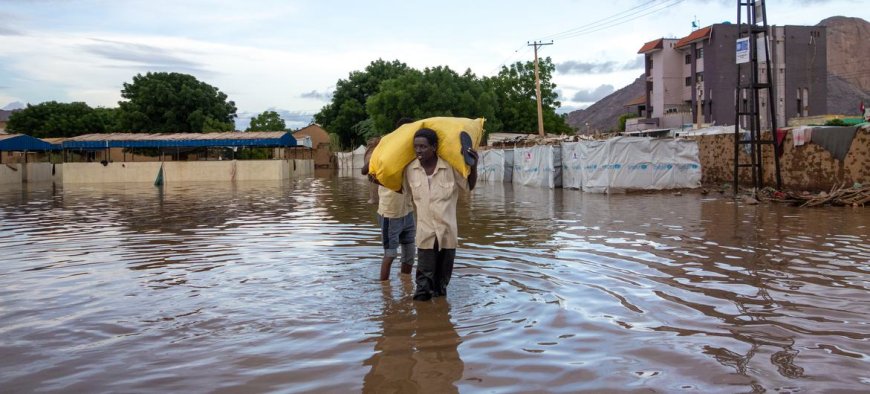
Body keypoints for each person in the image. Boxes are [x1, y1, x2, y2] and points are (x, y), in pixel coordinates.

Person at [403, 128, 477, 301]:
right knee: (423, 287)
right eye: (416, 147)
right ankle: (423, 323)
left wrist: (474, 167)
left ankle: (440, 321)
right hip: (425, 236)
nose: (419, 150)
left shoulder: (449, 167)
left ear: (434, 147)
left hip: (447, 235)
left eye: (423, 146)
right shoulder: (410, 170)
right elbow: (402, 191)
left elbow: (468, 187)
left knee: (441, 286)